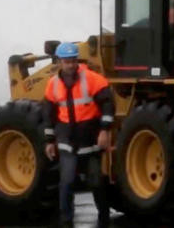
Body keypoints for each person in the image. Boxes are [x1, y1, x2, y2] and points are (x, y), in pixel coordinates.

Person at [42, 42, 114, 228]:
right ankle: (66, 221)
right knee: (66, 182)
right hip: (67, 142)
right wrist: (49, 141)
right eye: (66, 61)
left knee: (96, 182)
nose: (70, 65)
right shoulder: (52, 85)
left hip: (90, 140)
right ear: (59, 62)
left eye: (73, 60)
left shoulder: (92, 79)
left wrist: (105, 130)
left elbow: (108, 103)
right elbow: (48, 114)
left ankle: (104, 218)